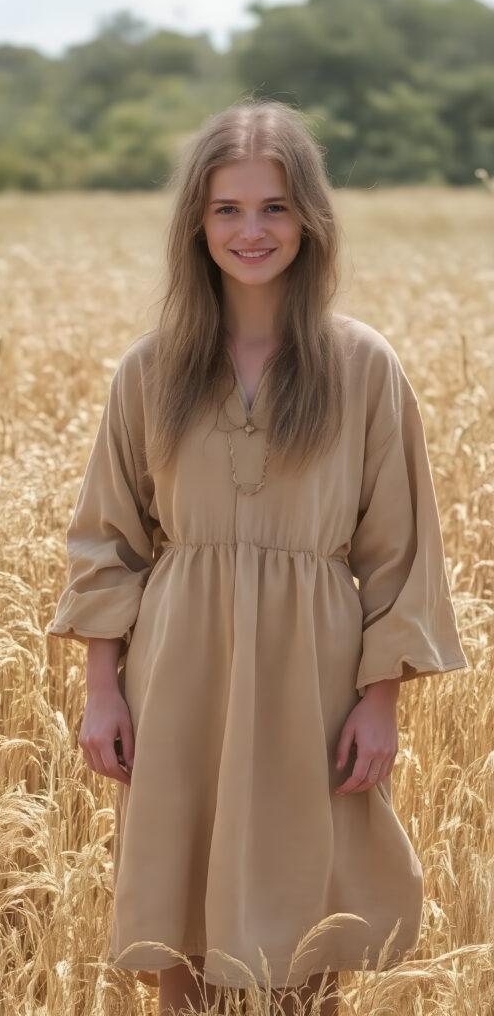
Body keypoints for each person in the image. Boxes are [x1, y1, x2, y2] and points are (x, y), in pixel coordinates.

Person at [46, 97, 468, 1016]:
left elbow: (401, 548)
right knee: (179, 933)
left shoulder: (363, 367)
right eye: (228, 209)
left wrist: (382, 700)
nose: (252, 231)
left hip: (310, 683)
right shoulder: (149, 370)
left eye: (274, 206)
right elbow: (107, 539)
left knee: (308, 928)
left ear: (309, 218)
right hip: (179, 674)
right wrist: (102, 687)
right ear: (197, 223)